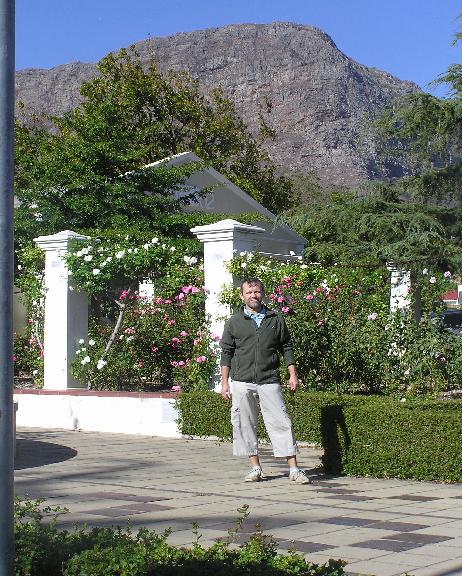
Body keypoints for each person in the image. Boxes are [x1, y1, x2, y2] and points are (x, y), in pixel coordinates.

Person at [220, 277, 310, 484]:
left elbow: (286, 347)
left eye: (257, 292)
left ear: (263, 294)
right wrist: (225, 383)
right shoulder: (234, 322)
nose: (253, 296)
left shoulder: (275, 319)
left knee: (281, 422)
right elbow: (226, 353)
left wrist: (293, 374)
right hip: (242, 380)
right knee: (245, 423)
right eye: (249, 292)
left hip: (269, 379)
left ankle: (294, 470)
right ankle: (255, 468)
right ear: (242, 296)